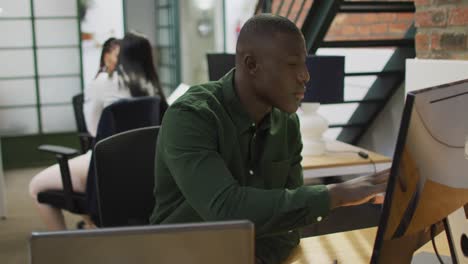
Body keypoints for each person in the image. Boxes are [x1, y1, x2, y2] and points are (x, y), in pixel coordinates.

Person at [149, 14, 388, 264]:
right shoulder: (191, 116)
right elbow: (226, 209)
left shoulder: (287, 123)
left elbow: (289, 225)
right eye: (292, 64)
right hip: (180, 255)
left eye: (304, 64)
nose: (305, 76)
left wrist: (259, 259)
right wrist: (334, 195)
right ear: (251, 64)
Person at [29, 32, 167, 230]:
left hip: (102, 164)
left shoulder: (102, 82)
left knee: (34, 187)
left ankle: (61, 247)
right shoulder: (152, 87)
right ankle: (93, 228)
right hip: (142, 170)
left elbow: (94, 129)